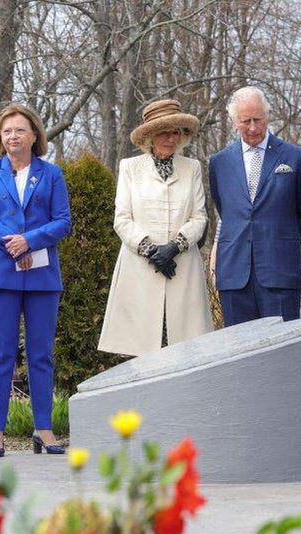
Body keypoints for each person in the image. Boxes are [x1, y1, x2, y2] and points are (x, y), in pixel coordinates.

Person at [0, 104, 72, 457]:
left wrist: (31, 240)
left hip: (42, 275)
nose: (13, 136)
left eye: (20, 130)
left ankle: (43, 428)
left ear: (34, 136)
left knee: (41, 354)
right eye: (6, 131)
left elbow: (63, 221)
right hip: (1, 275)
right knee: (0, 353)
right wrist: (15, 244)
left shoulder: (51, 174)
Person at [98, 99, 213, 356]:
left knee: (185, 348)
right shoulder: (130, 167)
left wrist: (173, 248)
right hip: (141, 268)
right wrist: (152, 251)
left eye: (176, 132)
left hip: (181, 267)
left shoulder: (191, 168)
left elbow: (199, 217)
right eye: (163, 131)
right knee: (141, 349)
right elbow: (122, 219)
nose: (170, 138)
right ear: (149, 135)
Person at [208, 86, 301, 326]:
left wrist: (277, 237)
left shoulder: (295, 157)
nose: (253, 128)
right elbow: (226, 210)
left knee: (280, 351)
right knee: (240, 352)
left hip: (279, 272)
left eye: (258, 119)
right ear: (234, 121)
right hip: (235, 275)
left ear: (268, 116)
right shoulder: (219, 162)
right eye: (245, 121)